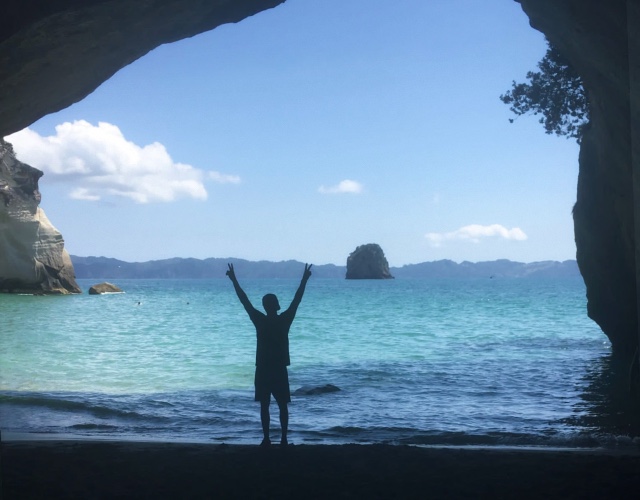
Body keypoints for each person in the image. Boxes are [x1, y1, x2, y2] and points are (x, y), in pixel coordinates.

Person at [226, 262, 312, 446]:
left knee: (264, 405)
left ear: (265, 306)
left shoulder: (259, 320)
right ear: (276, 305)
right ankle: (283, 438)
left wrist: (234, 279)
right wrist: (304, 279)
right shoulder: (284, 321)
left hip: (263, 369)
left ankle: (266, 438)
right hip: (279, 368)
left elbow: (244, 300)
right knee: (282, 406)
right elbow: (297, 299)